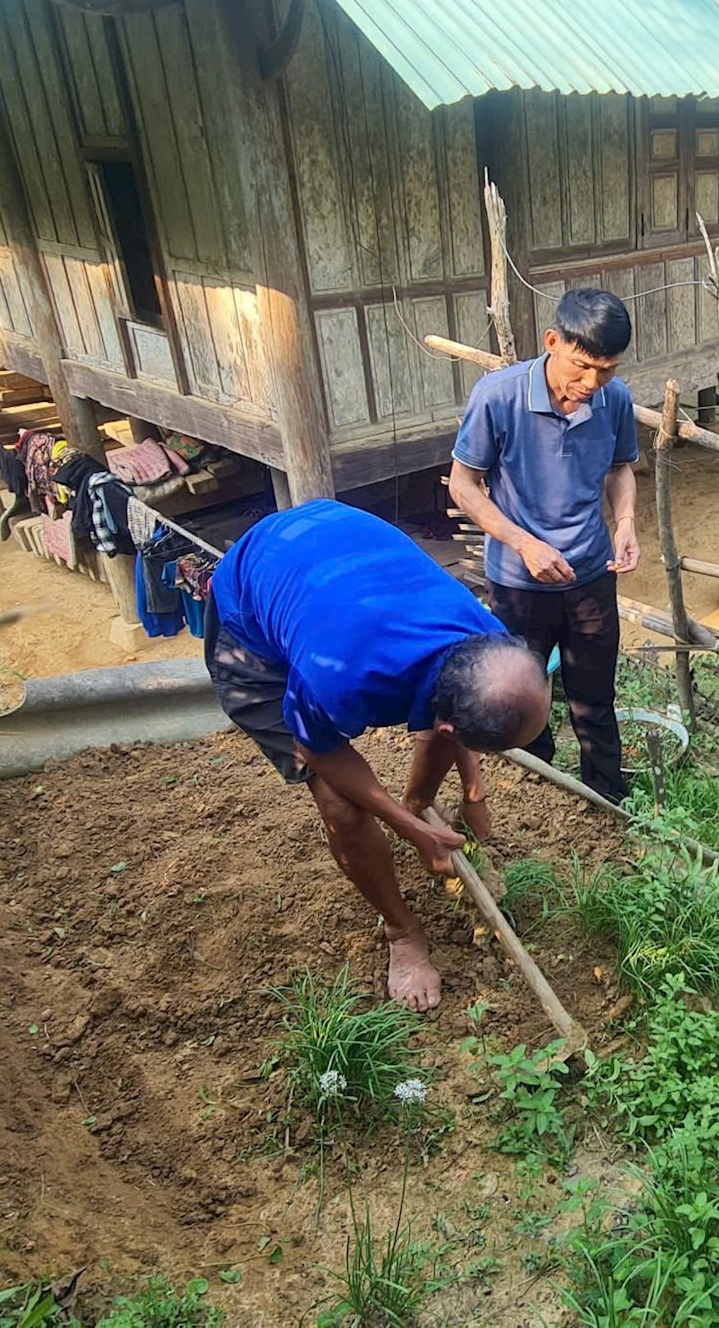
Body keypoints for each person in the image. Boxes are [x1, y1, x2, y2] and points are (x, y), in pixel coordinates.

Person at [205, 500, 549, 1011]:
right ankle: (401, 932)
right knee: (341, 807)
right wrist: (411, 830)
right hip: (252, 615)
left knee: (423, 758)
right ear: (450, 725)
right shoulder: (340, 676)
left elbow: (452, 722)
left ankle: (416, 809)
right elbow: (317, 750)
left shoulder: (494, 646)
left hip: (334, 552)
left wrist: (473, 791)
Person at [448, 288, 640, 803]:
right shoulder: (499, 396)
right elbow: (462, 484)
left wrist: (624, 522)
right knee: (523, 690)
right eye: (581, 367)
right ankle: (542, 792)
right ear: (552, 341)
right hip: (518, 581)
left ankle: (605, 794)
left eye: (607, 370)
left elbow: (621, 467)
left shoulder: (613, 400)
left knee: (595, 694)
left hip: (590, 574)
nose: (592, 383)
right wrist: (524, 544)